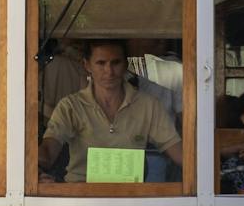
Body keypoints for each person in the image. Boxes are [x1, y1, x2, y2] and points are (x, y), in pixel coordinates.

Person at [40, 39, 182, 182]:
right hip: (80, 193)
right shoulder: (70, 106)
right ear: (87, 65)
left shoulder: (148, 105)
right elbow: (49, 149)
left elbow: (178, 151)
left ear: (125, 64)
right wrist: (37, 170)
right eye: (101, 63)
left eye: (115, 63)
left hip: (130, 193)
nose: (109, 71)